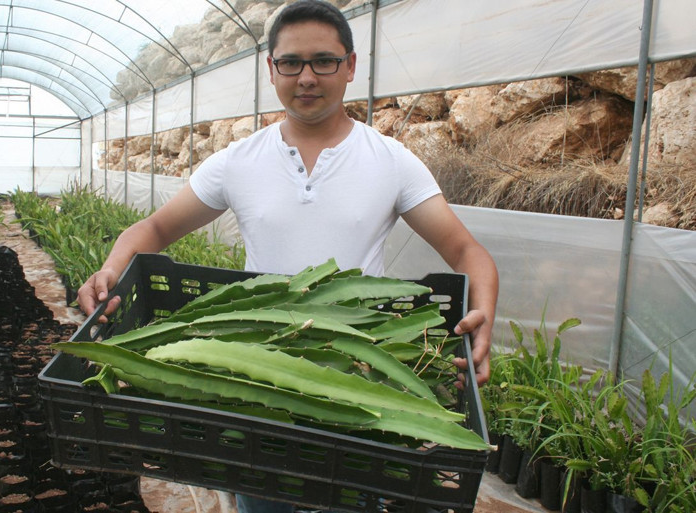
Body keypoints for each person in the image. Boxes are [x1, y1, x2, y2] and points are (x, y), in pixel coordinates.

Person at [78, 1, 498, 512]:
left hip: (358, 373)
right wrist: (111, 269)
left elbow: (466, 251)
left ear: (350, 66)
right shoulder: (239, 161)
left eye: (323, 61)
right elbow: (156, 228)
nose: (306, 77)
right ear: (271, 69)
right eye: (290, 63)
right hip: (258, 375)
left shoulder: (390, 161)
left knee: (353, 496)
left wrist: (484, 315)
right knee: (261, 499)